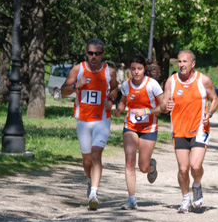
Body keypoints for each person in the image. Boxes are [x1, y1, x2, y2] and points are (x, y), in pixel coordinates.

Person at [60, 39, 118, 211]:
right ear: (86, 53)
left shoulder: (110, 71)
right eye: (91, 53)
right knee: (87, 161)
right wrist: (77, 86)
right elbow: (63, 92)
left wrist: (111, 100)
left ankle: (94, 193)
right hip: (83, 120)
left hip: (102, 119)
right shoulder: (78, 69)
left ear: (103, 55)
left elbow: (114, 88)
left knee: (96, 155)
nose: (94, 56)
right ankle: (89, 179)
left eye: (97, 53)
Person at [162, 50, 218, 213]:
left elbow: (215, 99)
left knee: (195, 165)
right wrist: (166, 107)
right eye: (179, 62)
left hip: (200, 128)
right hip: (179, 129)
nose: (181, 65)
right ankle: (185, 199)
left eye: (184, 62)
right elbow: (164, 103)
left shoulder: (204, 80)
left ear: (193, 64)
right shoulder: (171, 81)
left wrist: (210, 113)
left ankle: (197, 185)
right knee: (183, 168)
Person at [112, 55, 164, 210]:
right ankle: (131, 199)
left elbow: (163, 107)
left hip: (149, 128)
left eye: (139, 69)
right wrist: (119, 110)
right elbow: (123, 101)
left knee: (143, 167)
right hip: (131, 126)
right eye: (133, 69)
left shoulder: (152, 85)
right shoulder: (127, 85)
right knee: (129, 161)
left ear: (144, 69)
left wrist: (147, 111)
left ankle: (151, 167)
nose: (136, 72)